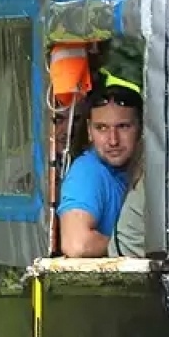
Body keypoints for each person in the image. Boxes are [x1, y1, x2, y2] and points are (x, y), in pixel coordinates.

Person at [58, 79, 140, 257]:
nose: (113, 140)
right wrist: (135, 247)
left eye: (123, 127)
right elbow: (77, 244)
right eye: (101, 128)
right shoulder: (87, 172)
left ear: (141, 129)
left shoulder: (144, 169)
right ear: (89, 131)